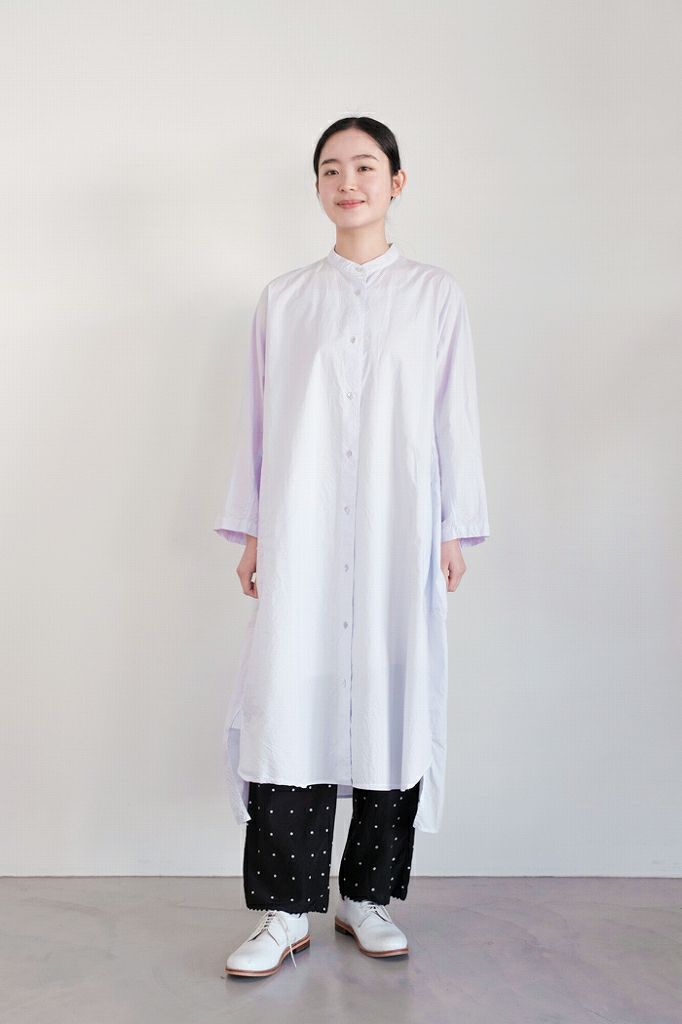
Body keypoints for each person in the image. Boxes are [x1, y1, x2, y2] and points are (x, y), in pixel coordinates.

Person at [214, 116, 491, 978]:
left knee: (387, 700)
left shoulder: (435, 296)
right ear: (318, 187)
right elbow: (260, 423)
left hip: (395, 532)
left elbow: (453, 416)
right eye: (331, 169)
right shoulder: (286, 299)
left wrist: (452, 527)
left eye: (365, 167)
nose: (348, 183)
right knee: (289, 702)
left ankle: (365, 898)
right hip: (301, 531)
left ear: (396, 182)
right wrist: (254, 529)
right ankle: (284, 912)